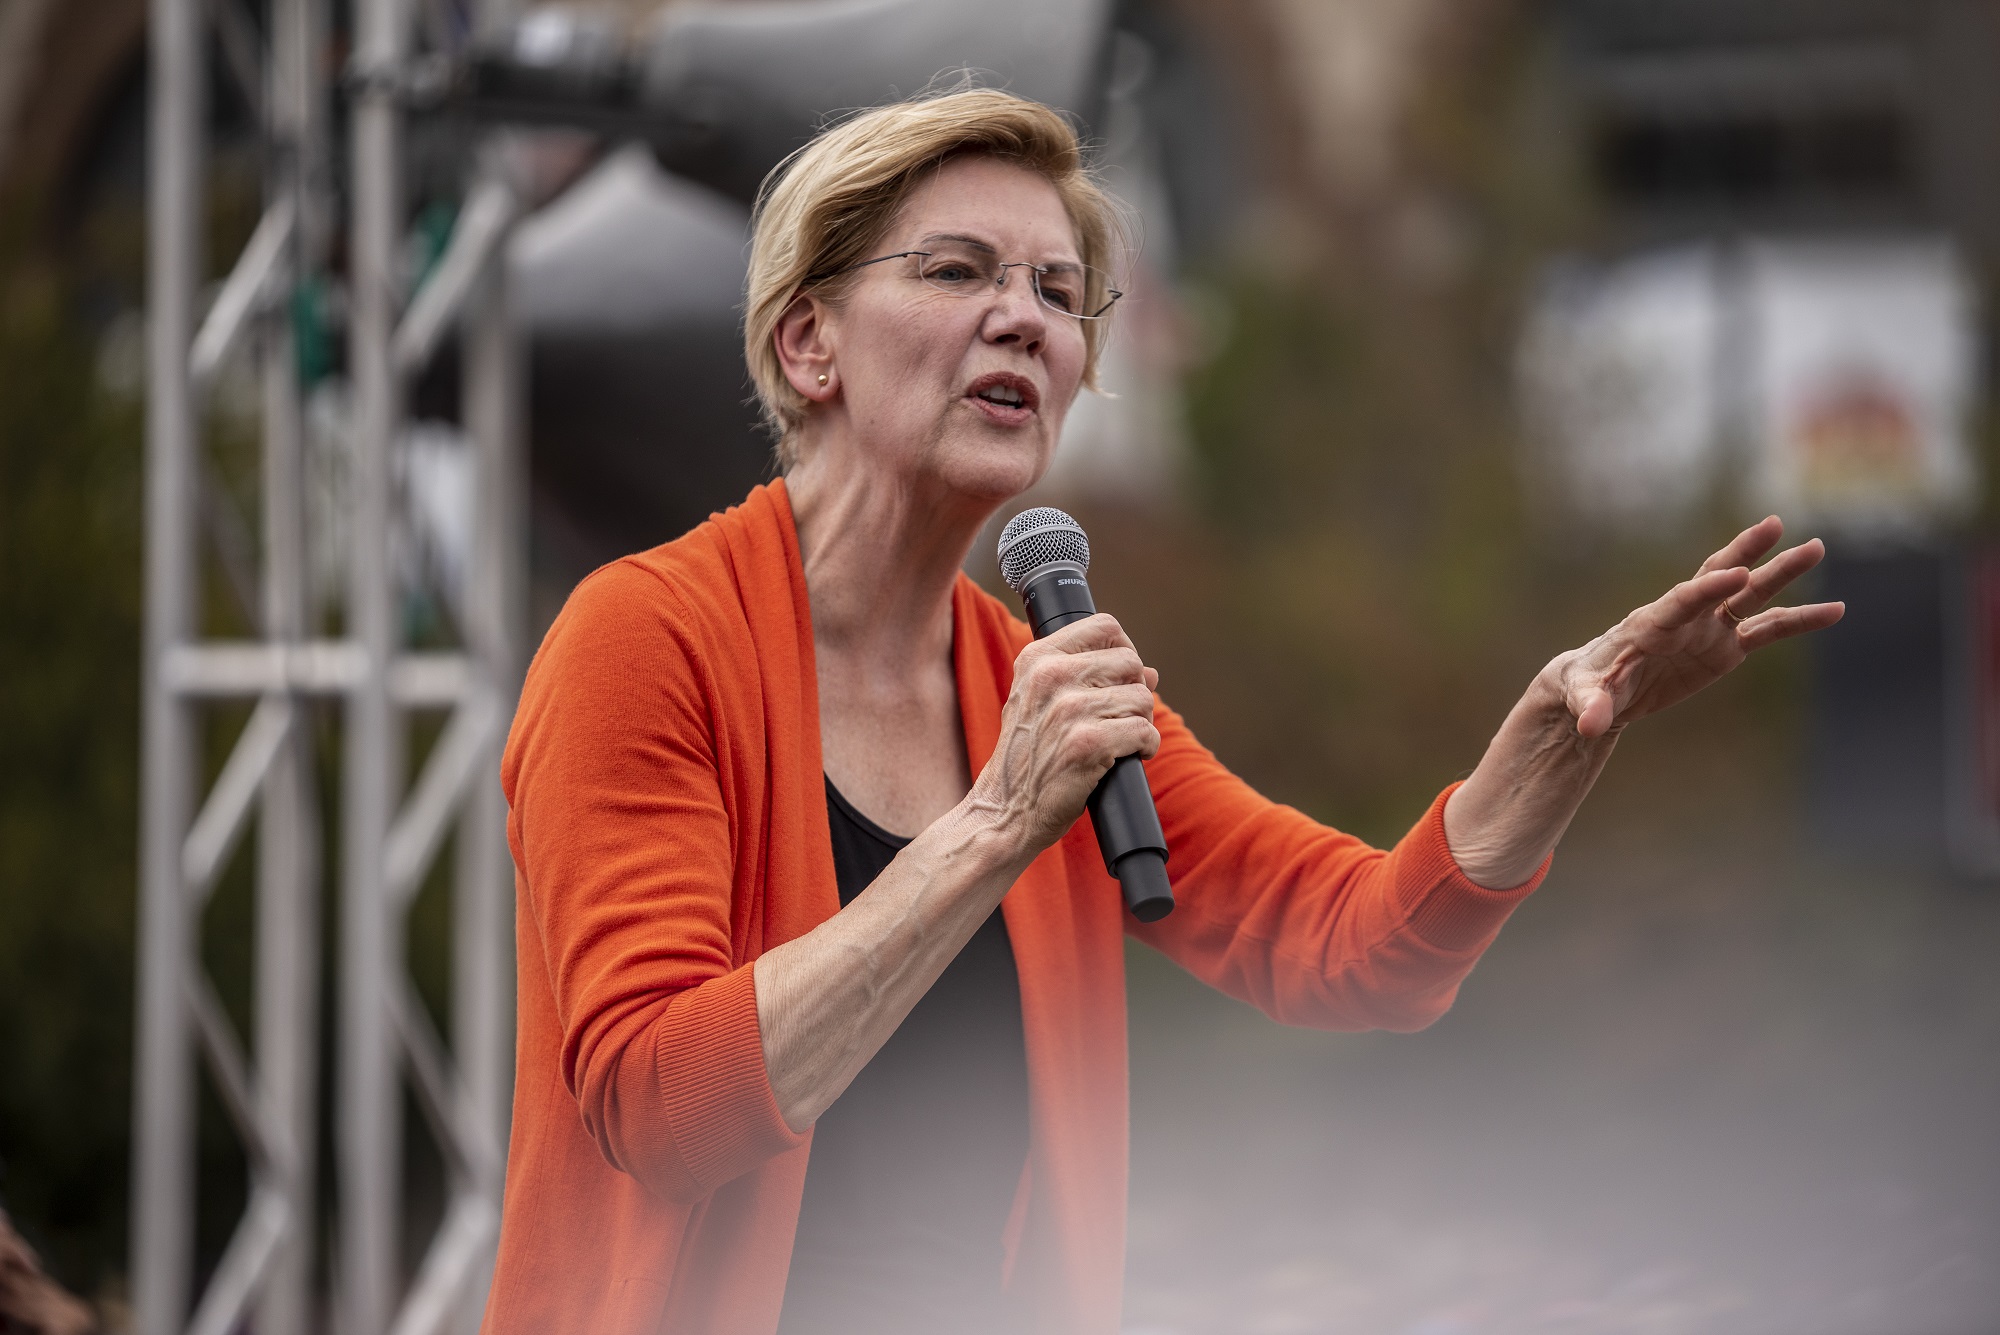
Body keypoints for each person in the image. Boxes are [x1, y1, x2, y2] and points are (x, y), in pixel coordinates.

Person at [479, 89, 1842, 1335]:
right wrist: (997, 826)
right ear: (808, 340)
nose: (1023, 317)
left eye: (1060, 294)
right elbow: (658, 1102)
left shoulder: (1040, 684)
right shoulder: (646, 641)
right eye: (956, 271)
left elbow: (1356, 947)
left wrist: (1551, 741)